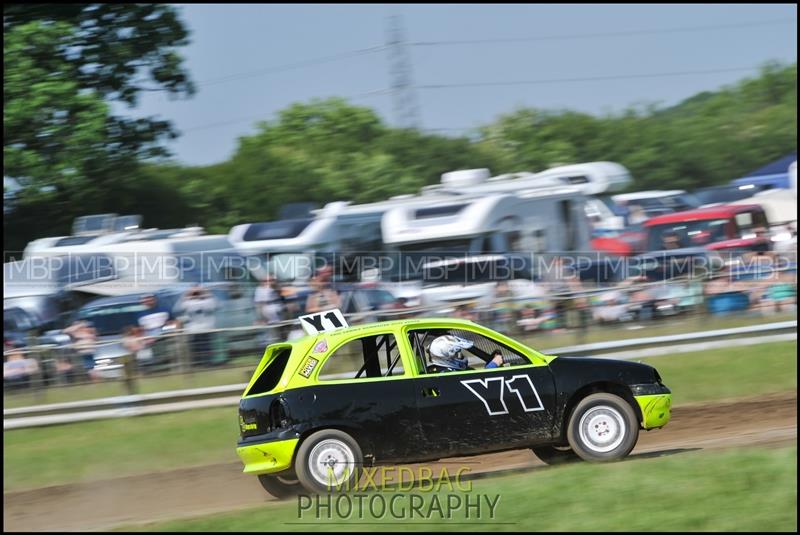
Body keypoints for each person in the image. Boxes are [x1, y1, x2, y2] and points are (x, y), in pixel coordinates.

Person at [175, 285, 219, 366]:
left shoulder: (207, 301)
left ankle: (206, 363)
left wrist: (189, 293)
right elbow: (177, 309)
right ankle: (201, 364)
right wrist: (192, 293)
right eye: (195, 293)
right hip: (194, 329)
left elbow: (178, 308)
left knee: (206, 347)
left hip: (205, 328)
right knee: (197, 347)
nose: (197, 294)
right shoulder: (206, 301)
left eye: (197, 293)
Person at [427, 335, 504, 373]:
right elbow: (480, 387)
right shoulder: (446, 374)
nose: (460, 356)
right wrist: (493, 364)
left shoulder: (451, 370)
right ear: (446, 358)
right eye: (456, 354)